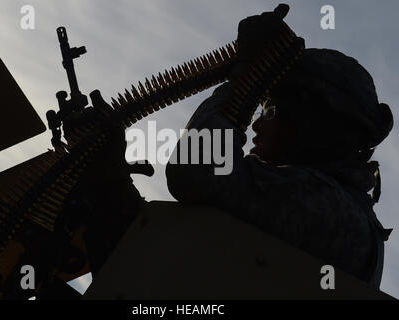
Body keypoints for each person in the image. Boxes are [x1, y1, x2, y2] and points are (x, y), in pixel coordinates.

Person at [165, 4, 394, 288]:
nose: (257, 126)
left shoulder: (327, 207)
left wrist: (244, 78)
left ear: (312, 123)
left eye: (271, 111)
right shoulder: (331, 206)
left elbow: (196, 169)